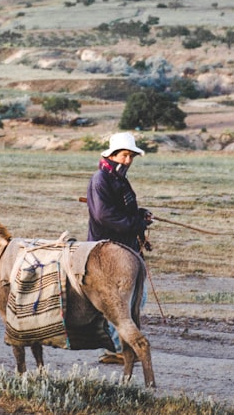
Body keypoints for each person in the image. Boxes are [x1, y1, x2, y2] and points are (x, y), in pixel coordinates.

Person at [86, 131, 152, 364]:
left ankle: (123, 346)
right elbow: (105, 217)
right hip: (108, 250)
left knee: (134, 299)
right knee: (119, 300)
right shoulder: (100, 180)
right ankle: (119, 348)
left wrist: (140, 215)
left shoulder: (118, 179)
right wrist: (136, 222)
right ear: (113, 155)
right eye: (124, 155)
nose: (128, 160)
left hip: (125, 248)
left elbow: (123, 211)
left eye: (131, 156)